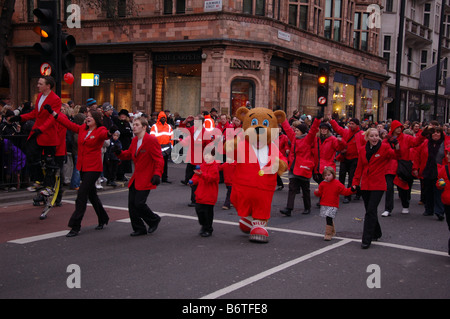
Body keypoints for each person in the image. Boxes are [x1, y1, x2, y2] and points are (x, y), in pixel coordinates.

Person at [44, 105, 112, 237]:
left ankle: (75, 225)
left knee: (81, 195)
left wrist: (110, 133)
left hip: (94, 168)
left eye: (90, 117)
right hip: (82, 167)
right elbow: (68, 124)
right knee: (92, 195)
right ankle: (103, 218)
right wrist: (53, 113)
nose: (87, 118)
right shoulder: (82, 129)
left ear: (96, 119)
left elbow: (105, 135)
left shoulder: (100, 130)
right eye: (87, 117)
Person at [10, 76, 61, 196]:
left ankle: (49, 186)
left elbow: (52, 118)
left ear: (48, 86)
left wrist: (41, 129)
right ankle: (39, 180)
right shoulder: (39, 97)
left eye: (40, 83)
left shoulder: (56, 99)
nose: (38, 85)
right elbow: (35, 113)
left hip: (48, 134)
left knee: (49, 162)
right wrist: (20, 117)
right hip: (37, 132)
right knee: (31, 154)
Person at [116, 116, 164, 236]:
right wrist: (119, 153)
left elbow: (159, 159)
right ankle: (139, 228)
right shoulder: (134, 141)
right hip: (136, 178)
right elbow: (129, 154)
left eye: (137, 124)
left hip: (147, 178)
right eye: (133, 124)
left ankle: (153, 220)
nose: (134, 127)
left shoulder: (151, 140)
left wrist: (157, 174)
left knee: (139, 203)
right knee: (131, 205)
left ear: (144, 127)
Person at [352, 128, 400, 249]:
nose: (374, 138)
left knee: (370, 211)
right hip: (365, 185)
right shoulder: (362, 150)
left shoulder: (384, 148)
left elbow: (396, 155)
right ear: (367, 137)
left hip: (378, 184)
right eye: (372, 136)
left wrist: (397, 145)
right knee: (370, 210)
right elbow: (359, 168)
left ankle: (366, 239)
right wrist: (355, 182)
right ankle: (377, 232)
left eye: (376, 136)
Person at [280, 117, 320, 216]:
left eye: (297, 130)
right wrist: (282, 118)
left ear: (302, 132)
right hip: (294, 167)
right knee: (292, 188)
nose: (295, 131)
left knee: (305, 189)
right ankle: (289, 209)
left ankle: (307, 207)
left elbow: (313, 130)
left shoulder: (307, 139)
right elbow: (288, 129)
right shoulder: (294, 137)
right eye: (295, 130)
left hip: (304, 168)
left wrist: (317, 120)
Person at [314, 167, 355, 240]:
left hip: (333, 204)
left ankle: (328, 234)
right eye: (325, 175)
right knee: (328, 217)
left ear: (333, 175)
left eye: (329, 175)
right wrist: (316, 192)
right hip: (324, 203)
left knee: (329, 218)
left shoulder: (337, 183)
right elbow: (320, 193)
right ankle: (332, 230)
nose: (327, 177)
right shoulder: (323, 184)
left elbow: (345, 191)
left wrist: (352, 189)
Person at [330, 117, 364, 203]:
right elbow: (337, 129)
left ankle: (348, 195)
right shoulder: (346, 132)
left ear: (357, 125)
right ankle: (349, 192)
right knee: (341, 176)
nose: (351, 125)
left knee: (352, 178)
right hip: (345, 157)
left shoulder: (362, 134)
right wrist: (332, 120)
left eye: (353, 124)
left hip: (355, 159)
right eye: (350, 123)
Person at [414, 125, 445, 220]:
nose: (435, 134)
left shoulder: (445, 144)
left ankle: (439, 211)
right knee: (428, 191)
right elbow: (417, 155)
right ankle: (429, 209)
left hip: (440, 171)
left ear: (441, 134)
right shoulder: (425, 143)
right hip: (427, 170)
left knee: (439, 191)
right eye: (433, 132)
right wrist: (415, 168)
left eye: (438, 132)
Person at [190, 150, 220, 237]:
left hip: (210, 194)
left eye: (209, 155)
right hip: (201, 193)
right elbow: (196, 176)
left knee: (208, 213)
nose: (206, 157)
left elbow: (211, 178)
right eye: (205, 155)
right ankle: (204, 225)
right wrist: (192, 181)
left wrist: (201, 175)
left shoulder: (215, 167)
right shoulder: (202, 166)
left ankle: (208, 228)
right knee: (199, 210)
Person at [150, 111, 173, 183]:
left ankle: (164, 178)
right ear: (159, 118)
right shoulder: (154, 126)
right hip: (158, 147)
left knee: (165, 164)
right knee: (156, 163)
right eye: (162, 117)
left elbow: (171, 136)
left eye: (164, 118)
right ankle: (154, 177)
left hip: (166, 147)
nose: (163, 119)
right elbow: (152, 137)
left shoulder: (168, 126)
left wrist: (171, 145)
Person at [435, 146, 450, 255]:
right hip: (447, 201)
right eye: (447, 154)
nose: (448, 156)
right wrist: (440, 184)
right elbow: (439, 183)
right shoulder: (444, 169)